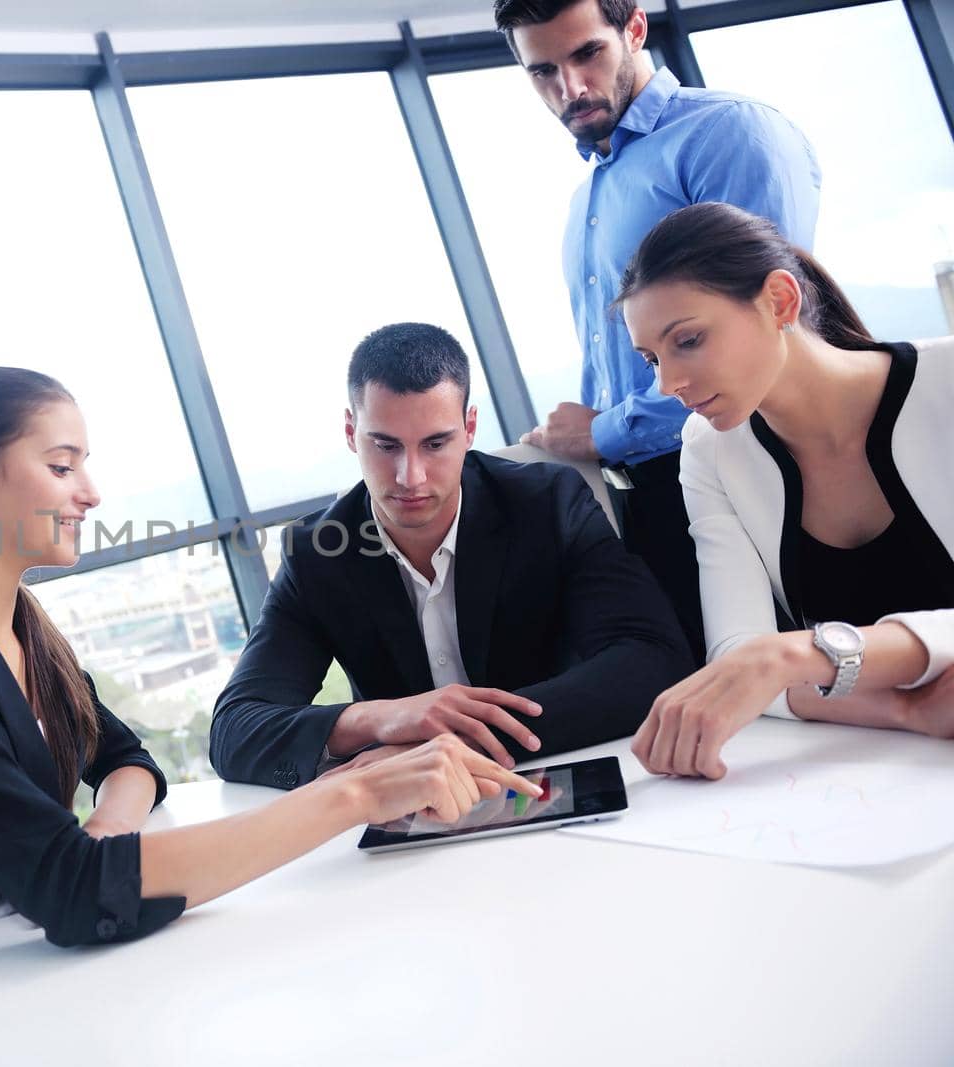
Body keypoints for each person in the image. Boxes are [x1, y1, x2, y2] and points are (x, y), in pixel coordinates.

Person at [0, 366, 543, 1000]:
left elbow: (130, 762)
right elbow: (72, 891)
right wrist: (352, 793)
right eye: (63, 467)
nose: (91, 493)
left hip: (13, 975)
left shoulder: (28, 631)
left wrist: (104, 831)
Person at [209, 324, 692, 790]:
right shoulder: (319, 551)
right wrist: (383, 718)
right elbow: (236, 730)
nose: (410, 476)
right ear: (351, 432)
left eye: (436, 444)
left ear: (469, 428)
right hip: (418, 817)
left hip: (560, 777)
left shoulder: (548, 504)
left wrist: (446, 743)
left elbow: (651, 661)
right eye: (385, 445)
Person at [494, 0, 822, 662]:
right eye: (543, 71)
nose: (571, 89)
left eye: (587, 54)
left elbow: (763, 342)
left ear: (635, 29)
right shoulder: (588, 198)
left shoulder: (730, 134)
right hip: (655, 495)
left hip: (757, 463)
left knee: (807, 679)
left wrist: (603, 430)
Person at [615, 202, 954, 779]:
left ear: (779, 301)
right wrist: (906, 708)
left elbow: (767, 663)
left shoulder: (945, 383)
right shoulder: (711, 449)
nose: (667, 383)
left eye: (688, 340)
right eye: (652, 359)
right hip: (886, 772)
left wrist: (797, 653)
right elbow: (738, 663)